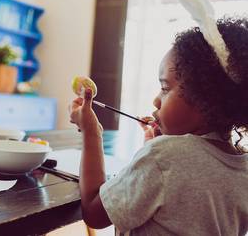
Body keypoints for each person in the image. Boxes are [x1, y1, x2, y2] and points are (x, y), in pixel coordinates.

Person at [69, 16, 248, 236]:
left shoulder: (165, 157)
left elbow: (95, 214)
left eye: (164, 88)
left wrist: (91, 133)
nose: (156, 101)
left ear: (205, 99)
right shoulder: (243, 169)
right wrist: (154, 148)